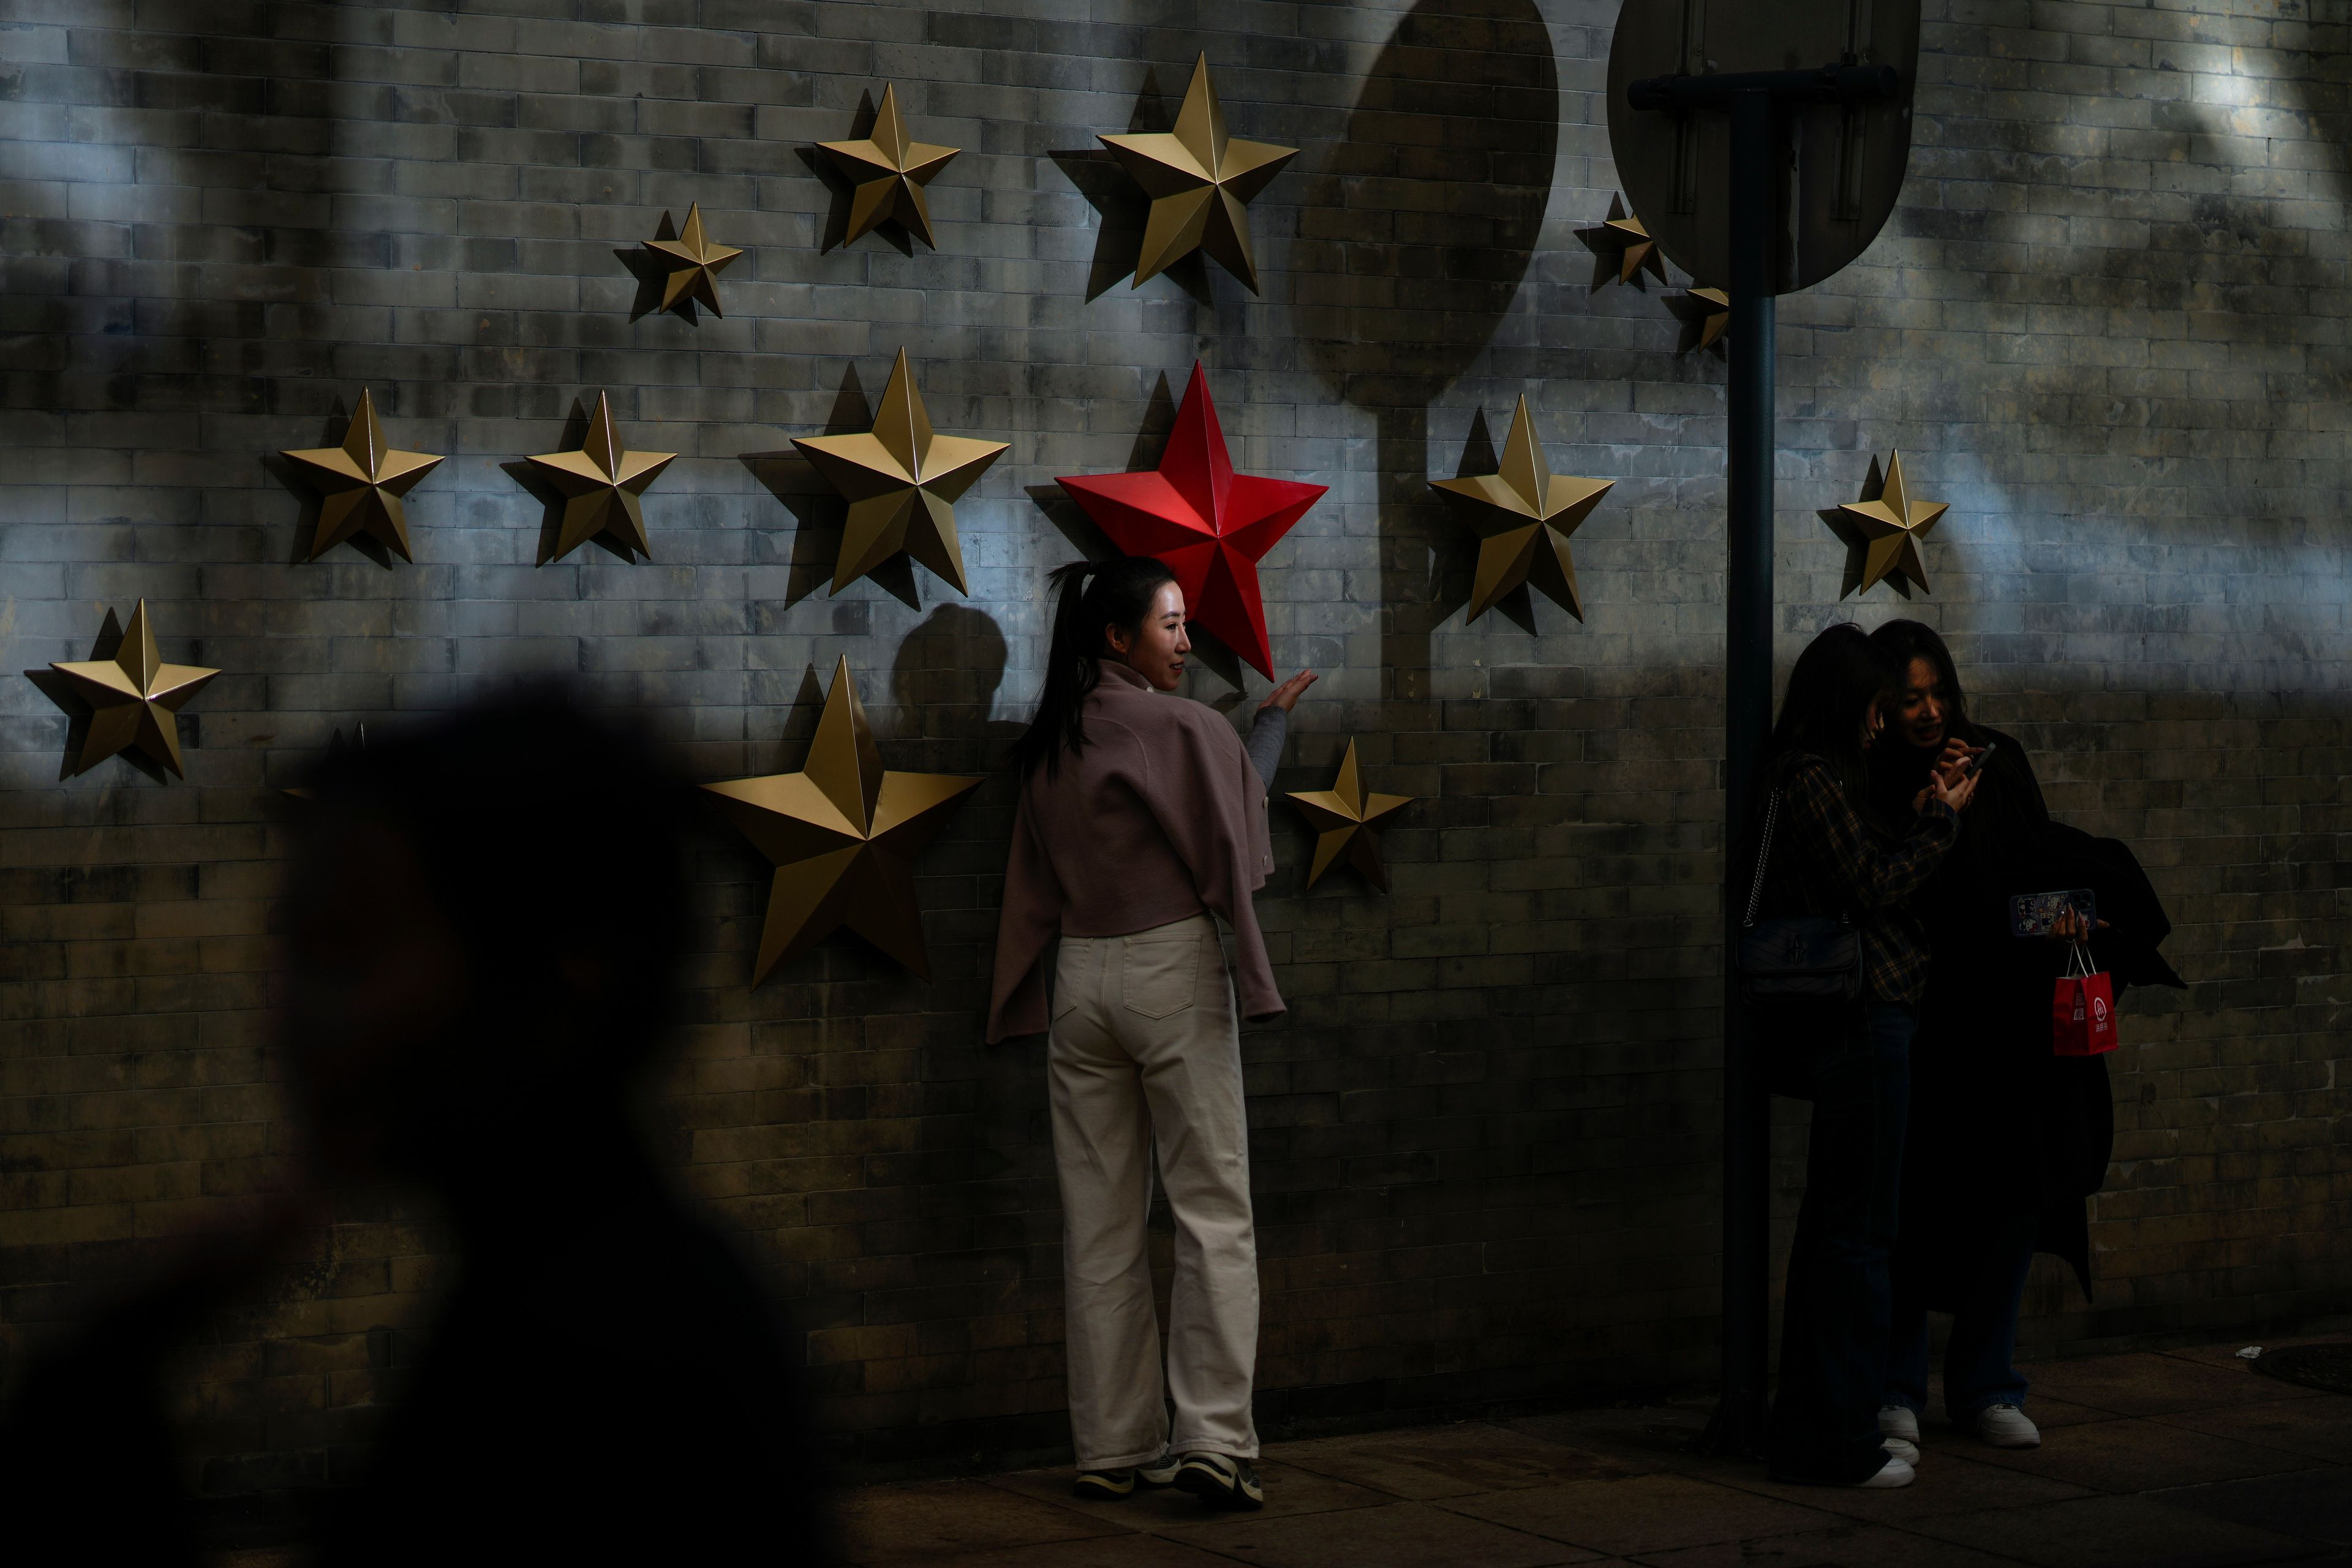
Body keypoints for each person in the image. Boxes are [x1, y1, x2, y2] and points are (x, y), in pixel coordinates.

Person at [0, 695, 823, 1564]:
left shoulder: (590, 1371)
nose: (286, 1015)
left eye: (347, 943)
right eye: (293, 946)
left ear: (563, 974)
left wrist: (87, 1392)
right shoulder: (598, 1300)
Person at [987, 557, 1314, 1512]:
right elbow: (1239, 836)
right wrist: (1272, 725)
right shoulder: (1182, 726)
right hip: (1170, 968)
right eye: (1170, 626)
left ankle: (1110, 1445)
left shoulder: (1051, 736)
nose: (1184, 642)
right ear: (1117, 639)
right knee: (1212, 1208)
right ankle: (1213, 1438)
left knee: (1099, 1226)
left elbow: (1031, 883)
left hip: (1080, 980)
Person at [1868, 621, 2183, 1455]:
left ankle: (1985, 1385)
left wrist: (2064, 916)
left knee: (2016, 1201)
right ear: (1883, 706)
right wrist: (1931, 814)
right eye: (1912, 698)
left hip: (2013, 1026)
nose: (1932, 711)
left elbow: (2026, 868)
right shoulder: (1876, 778)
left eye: (1939, 692)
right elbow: (1911, 902)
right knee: (1915, 1208)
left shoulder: (1993, 758)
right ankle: (1895, 1391)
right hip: (1931, 1027)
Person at [1748, 624, 1976, 1489]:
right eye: (1880, 705)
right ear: (1850, 704)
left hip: (1859, 1021)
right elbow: (1871, 887)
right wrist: (1943, 827)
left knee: (1837, 1235)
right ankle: (1840, 1439)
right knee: (1858, 1241)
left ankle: (1811, 1425)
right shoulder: (1810, 778)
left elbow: (1863, 865)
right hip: (1858, 1019)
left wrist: (1920, 815)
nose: (1889, 722)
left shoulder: (1817, 778)